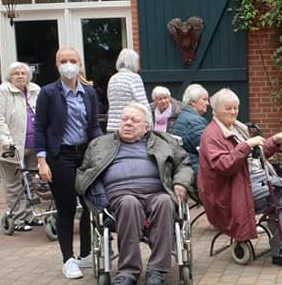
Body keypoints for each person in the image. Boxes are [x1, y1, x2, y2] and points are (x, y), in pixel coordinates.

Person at [75, 102, 193, 285]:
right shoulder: (100, 144)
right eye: (124, 119)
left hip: (156, 193)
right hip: (119, 198)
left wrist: (180, 183)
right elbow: (84, 173)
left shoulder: (165, 141)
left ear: (146, 127)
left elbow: (184, 165)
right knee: (129, 203)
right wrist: (96, 195)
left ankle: (157, 271)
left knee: (164, 202)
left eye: (134, 120)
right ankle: (128, 271)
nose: (127, 123)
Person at [197, 88, 282, 268]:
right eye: (228, 108)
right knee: (279, 194)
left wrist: (275, 140)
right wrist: (245, 145)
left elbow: (257, 153)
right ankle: (281, 250)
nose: (233, 112)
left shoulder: (237, 127)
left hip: (252, 179)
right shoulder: (211, 135)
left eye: (235, 108)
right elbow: (224, 166)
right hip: (231, 190)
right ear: (215, 110)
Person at [34, 46, 103, 279]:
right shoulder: (48, 93)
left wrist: (102, 152)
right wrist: (42, 162)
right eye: (63, 61)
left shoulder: (89, 93)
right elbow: (39, 128)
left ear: (80, 64)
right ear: (57, 65)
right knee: (65, 208)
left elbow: (93, 125)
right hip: (59, 156)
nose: (68, 65)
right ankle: (68, 259)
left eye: (73, 60)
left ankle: (85, 255)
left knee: (89, 205)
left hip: (84, 154)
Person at [0, 61, 42, 232]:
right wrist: (5, 139)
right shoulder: (4, 91)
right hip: (11, 145)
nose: (20, 76)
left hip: (32, 143)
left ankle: (31, 215)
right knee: (13, 183)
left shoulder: (35, 90)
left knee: (30, 180)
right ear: (10, 76)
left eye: (23, 73)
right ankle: (17, 217)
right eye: (16, 73)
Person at [169, 83, 209, 177]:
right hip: (197, 172)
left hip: (183, 169)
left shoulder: (182, 116)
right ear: (192, 102)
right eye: (204, 99)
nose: (207, 103)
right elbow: (206, 152)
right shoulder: (195, 121)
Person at [106, 48, 150, 132]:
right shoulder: (134, 78)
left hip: (113, 126)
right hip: (130, 127)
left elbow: (110, 101)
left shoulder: (113, 78)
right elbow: (144, 105)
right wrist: (149, 126)